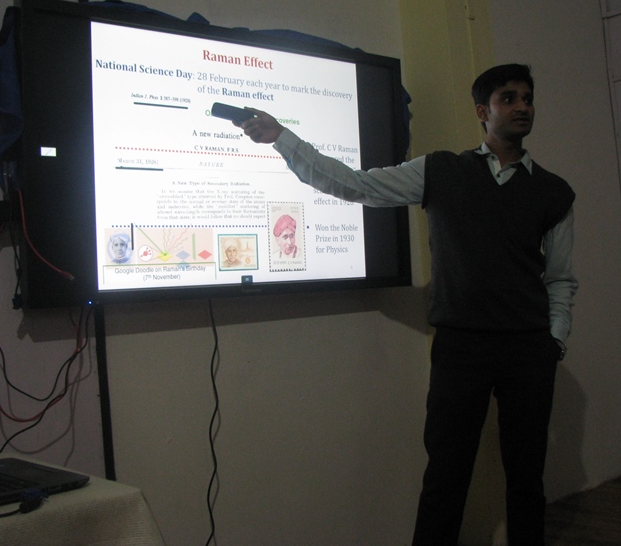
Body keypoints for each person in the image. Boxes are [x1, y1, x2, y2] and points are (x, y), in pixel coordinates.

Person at [239, 63, 576, 546]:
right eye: (509, 98)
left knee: (526, 478)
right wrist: (283, 138)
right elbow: (356, 185)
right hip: (461, 347)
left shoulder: (554, 191)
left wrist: (554, 341)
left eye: (527, 98)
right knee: (446, 474)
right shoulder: (441, 171)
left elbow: (560, 277)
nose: (522, 106)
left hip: (528, 349)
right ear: (483, 112)